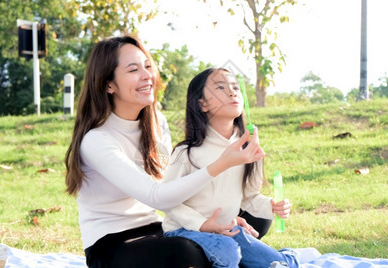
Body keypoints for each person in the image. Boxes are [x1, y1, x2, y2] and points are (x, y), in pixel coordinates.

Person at [64, 35, 266, 268]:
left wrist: (215, 219)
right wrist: (222, 163)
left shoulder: (156, 122)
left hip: (159, 230)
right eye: (133, 70)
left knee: (256, 219)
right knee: (185, 252)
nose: (147, 75)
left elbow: (170, 186)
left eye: (148, 66)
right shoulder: (97, 141)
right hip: (114, 245)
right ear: (108, 84)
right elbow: (157, 196)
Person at [162, 68, 300, 268]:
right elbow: (167, 200)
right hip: (184, 229)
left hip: (228, 230)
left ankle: (288, 257)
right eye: (220, 87)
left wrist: (271, 206)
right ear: (203, 104)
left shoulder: (248, 147)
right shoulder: (186, 153)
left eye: (235, 87)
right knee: (227, 251)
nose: (232, 92)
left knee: (282, 264)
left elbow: (249, 196)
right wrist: (202, 224)